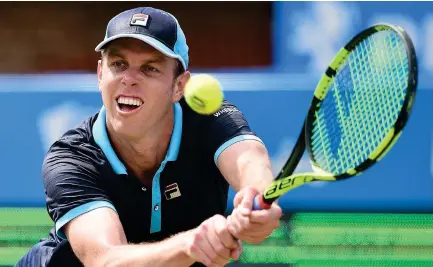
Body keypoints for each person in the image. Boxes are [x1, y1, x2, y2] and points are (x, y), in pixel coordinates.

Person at [16, 6, 282, 267]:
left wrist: (256, 203)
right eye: (118, 64)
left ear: (179, 86)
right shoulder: (71, 158)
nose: (129, 79)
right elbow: (106, 261)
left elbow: (249, 160)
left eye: (149, 68)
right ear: (100, 74)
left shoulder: (212, 120)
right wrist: (190, 245)